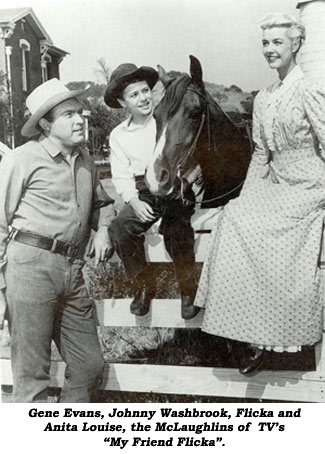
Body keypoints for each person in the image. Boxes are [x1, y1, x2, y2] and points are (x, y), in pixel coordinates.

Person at [194, 12, 325, 375]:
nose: (269, 49)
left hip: (311, 183)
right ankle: (247, 333)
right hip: (275, 183)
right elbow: (261, 154)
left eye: (277, 42)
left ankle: (278, 336)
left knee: (266, 225)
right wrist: (245, 197)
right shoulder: (264, 98)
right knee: (235, 215)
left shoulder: (309, 89)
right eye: (265, 43)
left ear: (296, 43)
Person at [0, 78, 115, 402]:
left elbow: (103, 205)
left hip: (72, 270)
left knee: (89, 364)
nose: (80, 119)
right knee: (32, 373)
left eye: (80, 112)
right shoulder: (22, 158)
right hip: (30, 268)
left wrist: (104, 228)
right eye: (68, 115)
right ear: (46, 124)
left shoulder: (86, 160)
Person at [104, 63, 198, 319]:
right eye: (133, 95)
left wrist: (185, 182)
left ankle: (188, 289)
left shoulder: (167, 117)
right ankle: (143, 285)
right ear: (123, 103)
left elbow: (187, 153)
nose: (143, 98)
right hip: (144, 190)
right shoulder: (119, 135)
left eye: (145, 91)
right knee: (120, 228)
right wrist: (134, 202)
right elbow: (121, 176)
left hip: (176, 184)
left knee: (176, 227)